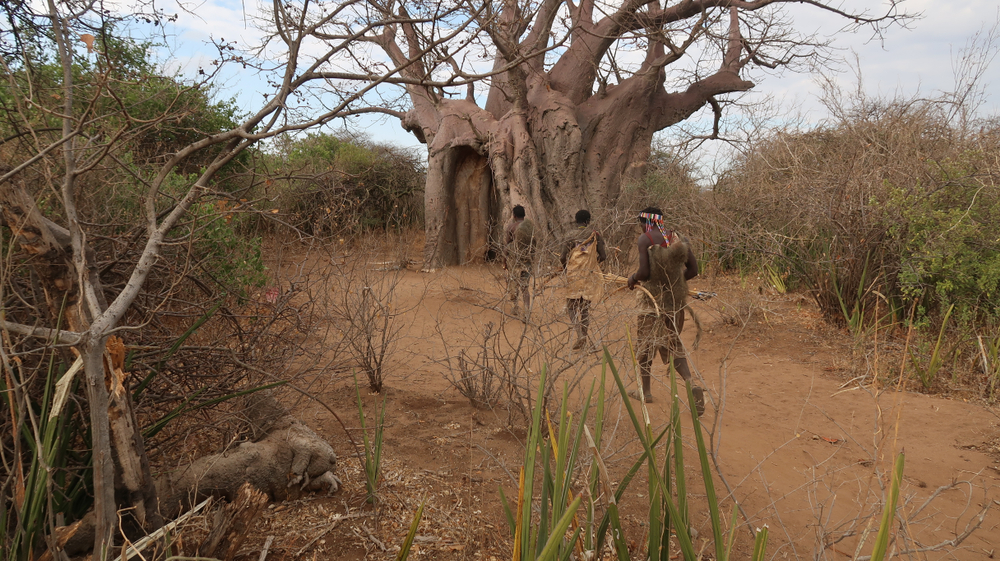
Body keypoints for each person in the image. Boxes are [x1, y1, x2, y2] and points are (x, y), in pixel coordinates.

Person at [626, 206, 705, 415]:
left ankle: (646, 391)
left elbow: (644, 272)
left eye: (641, 223)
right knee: (672, 342)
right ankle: (690, 382)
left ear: (646, 222)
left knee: (646, 343)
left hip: (651, 301)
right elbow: (694, 270)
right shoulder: (678, 239)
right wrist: (675, 284)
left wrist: (632, 279)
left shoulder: (646, 240)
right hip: (673, 302)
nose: (641, 228)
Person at [560, 210, 606, 351]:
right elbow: (603, 256)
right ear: (588, 221)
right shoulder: (595, 235)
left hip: (574, 274)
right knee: (584, 309)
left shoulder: (569, 236)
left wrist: (565, 269)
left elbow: (562, 257)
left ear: (576, 221)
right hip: (588, 275)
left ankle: (579, 333)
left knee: (571, 307)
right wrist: (592, 264)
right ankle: (584, 339)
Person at [505, 204, 536, 319]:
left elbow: (507, 246)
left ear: (514, 215)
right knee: (525, 287)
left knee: (513, 283)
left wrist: (504, 262)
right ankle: (527, 311)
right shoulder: (530, 227)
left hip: (515, 260)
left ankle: (515, 307)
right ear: (524, 215)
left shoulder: (511, 227)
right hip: (527, 260)